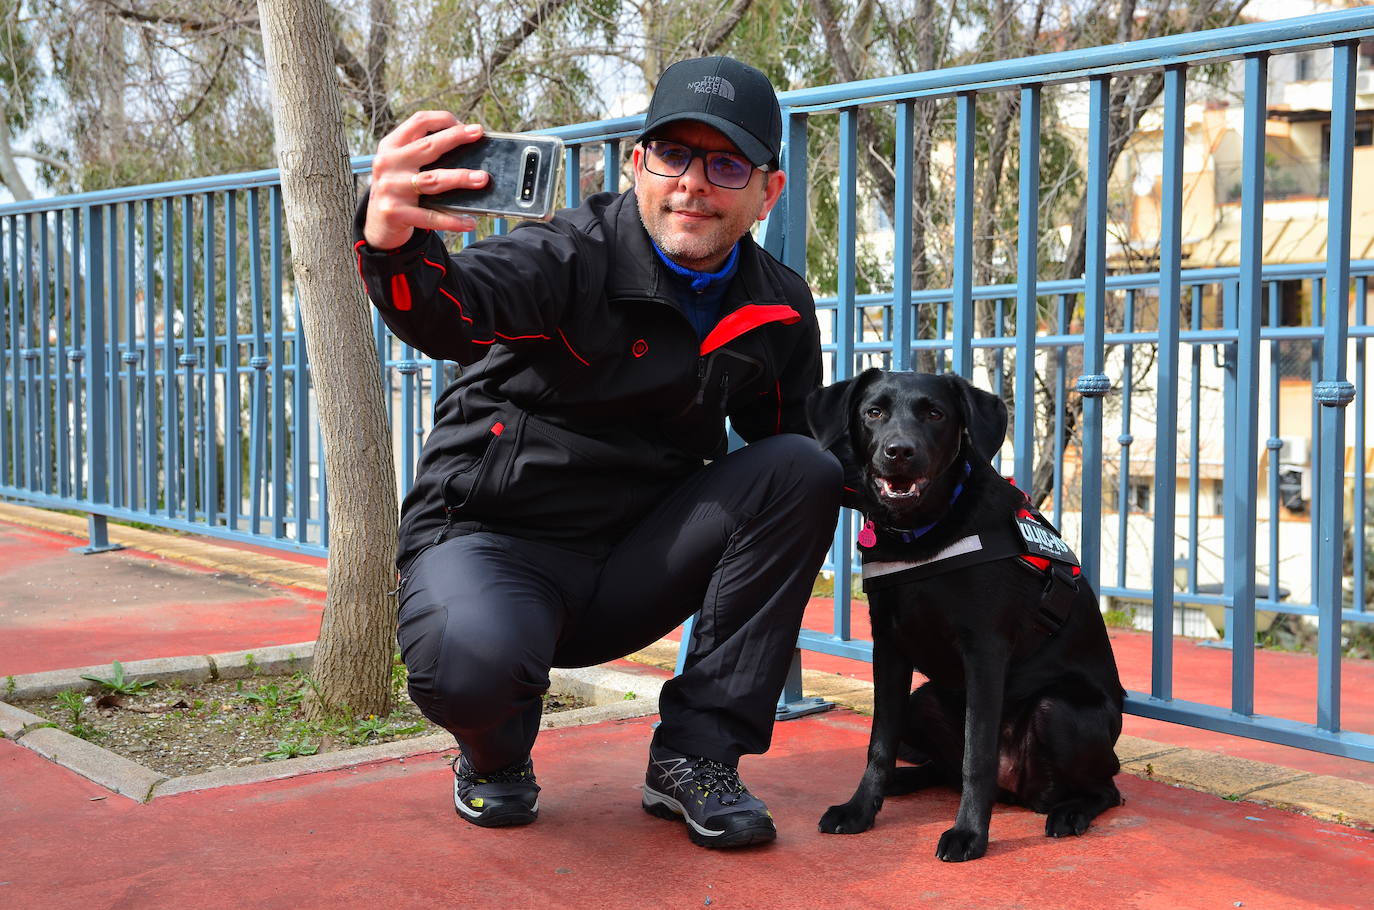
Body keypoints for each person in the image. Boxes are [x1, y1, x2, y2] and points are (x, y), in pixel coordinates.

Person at [351, 56, 840, 849]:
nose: (693, 184)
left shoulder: (775, 306)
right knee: (471, 662)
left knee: (803, 471)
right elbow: (452, 314)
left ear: (766, 191)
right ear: (636, 164)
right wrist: (393, 243)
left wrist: (946, 494)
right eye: (673, 154)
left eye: (724, 164)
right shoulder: (567, 254)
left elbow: (799, 449)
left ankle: (696, 758)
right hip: (493, 545)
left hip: (634, 565)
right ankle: (494, 754)